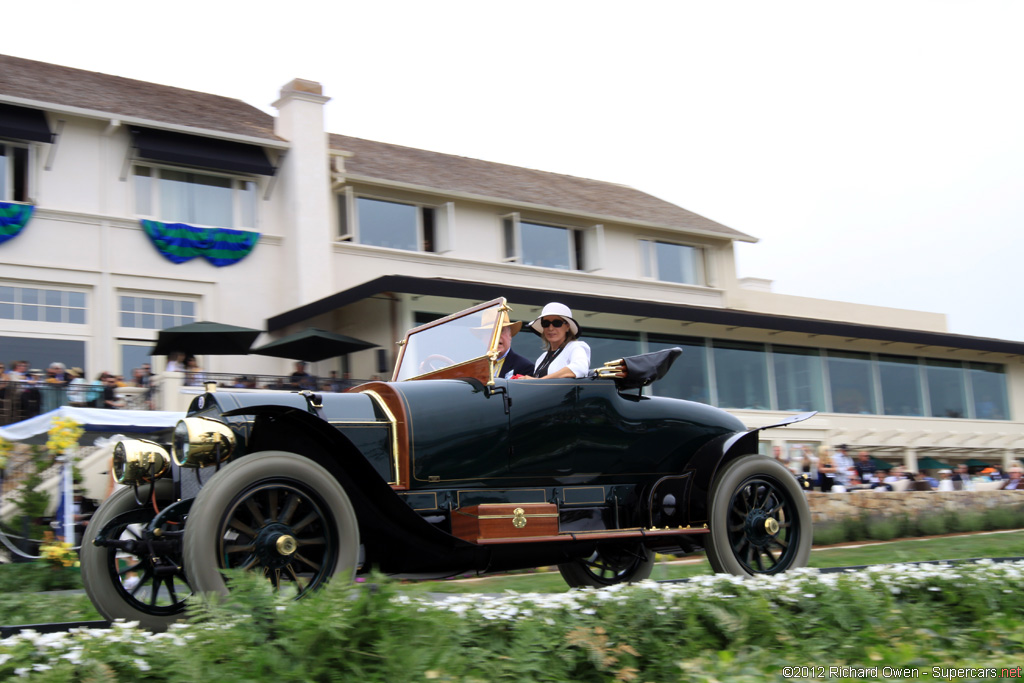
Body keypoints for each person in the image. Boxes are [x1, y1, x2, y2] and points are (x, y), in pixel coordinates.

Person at [523, 302, 591, 379]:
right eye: (546, 323)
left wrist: (538, 381)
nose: (550, 328)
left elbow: (580, 368)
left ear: (567, 326)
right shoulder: (542, 357)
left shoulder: (575, 347)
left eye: (557, 323)